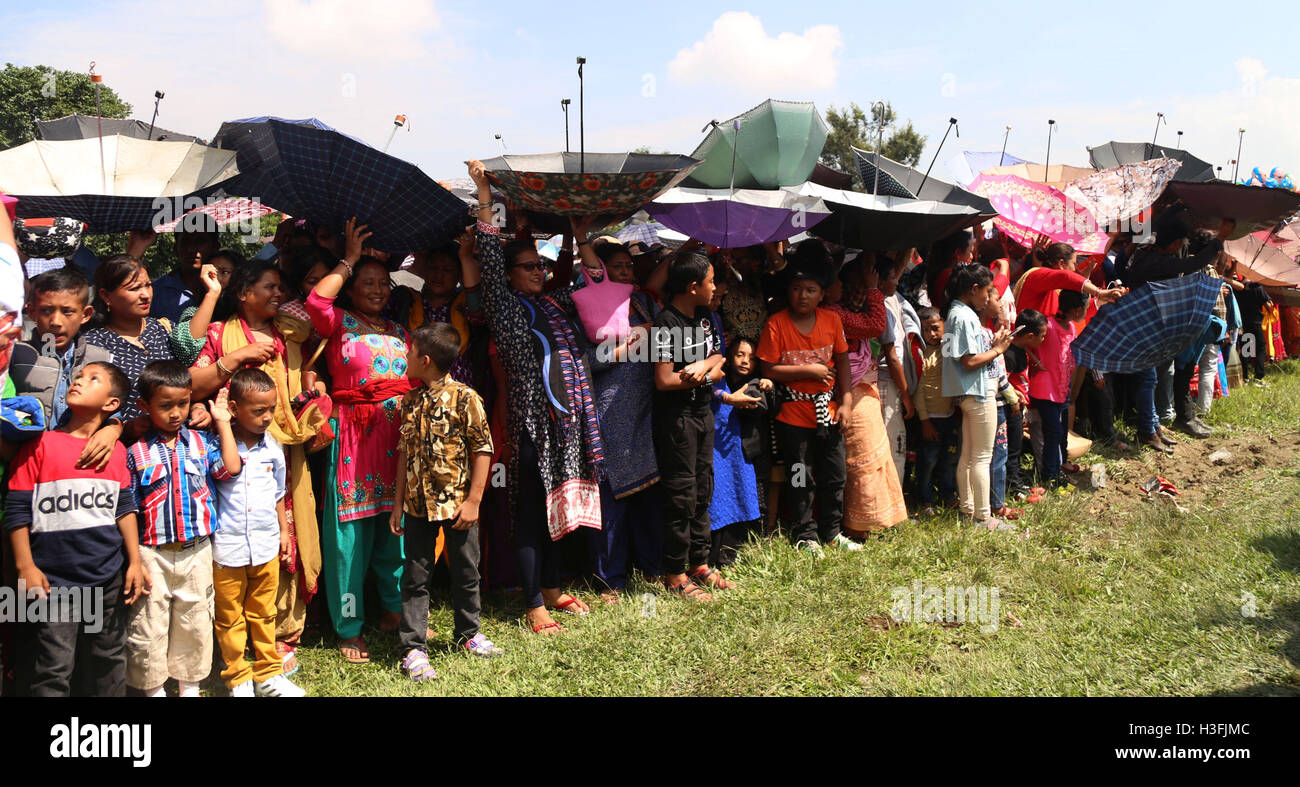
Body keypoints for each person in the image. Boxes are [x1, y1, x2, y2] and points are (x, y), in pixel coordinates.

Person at [467, 161, 601, 633]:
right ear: (508, 275)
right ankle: (533, 605)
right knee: (530, 514)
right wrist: (485, 191)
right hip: (532, 425)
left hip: (567, 424)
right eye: (529, 267)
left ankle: (553, 587)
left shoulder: (556, 303)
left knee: (560, 508)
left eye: (541, 265)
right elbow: (487, 249)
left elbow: (599, 284)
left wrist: (579, 238)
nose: (539, 272)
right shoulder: (504, 309)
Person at [188, 260, 324, 675]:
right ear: (244, 293)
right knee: (238, 539)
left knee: (289, 537)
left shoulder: (290, 330)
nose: (278, 294)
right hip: (233, 453)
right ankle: (234, 640)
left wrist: (314, 390)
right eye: (269, 287)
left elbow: (309, 365)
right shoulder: (218, 333)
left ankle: (282, 634)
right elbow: (194, 383)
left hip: (286, 449)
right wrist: (240, 355)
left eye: (281, 286)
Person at [4, 362, 149, 696]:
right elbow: (17, 510)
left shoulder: (115, 452)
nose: (79, 381)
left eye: (92, 378)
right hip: (55, 582)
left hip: (108, 578)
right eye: (78, 376)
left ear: (112, 404)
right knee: (53, 665)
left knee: (108, 658)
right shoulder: (40, 445)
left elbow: (124, 509)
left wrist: (135, 562)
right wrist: (25, 565)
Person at [308, 219, 413, 663]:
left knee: (397, 533)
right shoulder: (338, 323)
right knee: (348, 539)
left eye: (383, 283)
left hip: (398, 442)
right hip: (353, 439)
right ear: (351, 288)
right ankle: (349, 627)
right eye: (367, 283)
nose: (378, 289)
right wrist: (348, 260)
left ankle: (393, 610)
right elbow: (316, 300)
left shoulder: (399, 331)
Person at [390, 323, 501, 681]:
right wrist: (397, 504)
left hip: (457, 505)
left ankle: (469, 634)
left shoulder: (466, 398)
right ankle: (413, 648)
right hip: (418, 506)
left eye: (409, 353)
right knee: (415, 576)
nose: (404, 358)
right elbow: (404, 453)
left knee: (466, 572)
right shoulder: (410, 401)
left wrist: (474, 501)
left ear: (424, 360)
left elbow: (483, 448)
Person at [124, 360, 240, 697]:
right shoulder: (136, 452)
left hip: (196, 552)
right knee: (148, 625)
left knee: (195, 622)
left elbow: (230, 468)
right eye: (165, 406)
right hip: (151, 555)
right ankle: (153, 689)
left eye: (183, 404)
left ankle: (189, 687)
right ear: (144, 406)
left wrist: (222, 424)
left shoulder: (201, 443)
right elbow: (129, 507)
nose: (176, 413)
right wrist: (133, 558)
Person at [209, 370, 306, 697]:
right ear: (234, 409)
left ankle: (267, 675)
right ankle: (237, 678)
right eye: (258, 411)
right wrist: (221, 424)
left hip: (265, 545)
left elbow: (279, 493)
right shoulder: (218, 446)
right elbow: (225, 471)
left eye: (271, 409)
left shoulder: (273, 448)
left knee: (265, 612)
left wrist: (284, 531)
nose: (267, 418)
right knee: (229, 618)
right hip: (228, 547)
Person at [758, 242, 857, 555]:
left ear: (822, 294)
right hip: (793, 416)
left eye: (811, 289)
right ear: (788, 291)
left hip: (828, 412)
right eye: (797, 288)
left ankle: (831, 532)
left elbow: (842, 360)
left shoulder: (832, 321)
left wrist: (846, 401)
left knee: (834, 475)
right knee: (800, 476)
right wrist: (809, 369)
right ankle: (806, 534)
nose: (803, 295)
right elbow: (767, 368)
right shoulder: (777, 324)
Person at [582, 238, 664, 601]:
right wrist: (630, 342)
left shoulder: (643, 302)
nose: (626, 271)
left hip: (645, 411)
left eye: (629, 266)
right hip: (611, 410)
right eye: (617, 266)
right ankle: (610, 579)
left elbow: (665, 340)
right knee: (612, 497)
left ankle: (651, 567)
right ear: (599, 271)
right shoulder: (586, 306)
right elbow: (588, 361)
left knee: (648, 493)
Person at [651, 250, 731, 598]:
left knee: (702, 489)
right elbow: (664, 381)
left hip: (703, 415)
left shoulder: (704, 316)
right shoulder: (664, 324)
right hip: (677, 421)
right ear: (693, 285)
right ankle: (674, 574)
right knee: (681, 496)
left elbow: (720, 358)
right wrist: (705, 375)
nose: (716, 288)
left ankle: (700, 563)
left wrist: (703, 367)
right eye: (711, 281)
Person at [85, 255, 209, 441]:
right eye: (134, 288)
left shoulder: (164, 329)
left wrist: (198, 407)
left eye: (148, 285)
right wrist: (125, 428)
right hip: (129, 452)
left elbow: (189, 379)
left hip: (178, 448)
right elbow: (91, 408)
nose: (145, 295)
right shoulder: (94, 344)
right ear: (105, 295)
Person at [831, 256, 907, 535]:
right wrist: (874, 288)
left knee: (875, 453)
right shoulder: (835, 313)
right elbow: (875, 325)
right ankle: (857, 523)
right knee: (862, 457)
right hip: (850, 393)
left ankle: (875, 519)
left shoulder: (849, 309)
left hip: (862, 387)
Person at [9, 267, 115, 455]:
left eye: (67, 312)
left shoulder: (100, 359)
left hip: (79, 467)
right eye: (46, 311)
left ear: (86, 314)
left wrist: (113, 428)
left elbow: (112, 409)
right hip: (26, 464)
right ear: (31, 312)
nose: (56, 322)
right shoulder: (16, 356)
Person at [942, 264, 1014, 532]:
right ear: (974, 289)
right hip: (977, 391)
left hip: (962, 393)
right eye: (986, 291)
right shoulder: (965, 316)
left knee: (969, 456)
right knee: (982, 456)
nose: (988, 298)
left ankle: (967, 509)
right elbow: (970, 361)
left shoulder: (953, 313)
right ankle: (983, 517)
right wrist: (998, 349)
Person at [384, 245, 476, 386]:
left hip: (455, 395)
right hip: (412, 392)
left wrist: (466, 258)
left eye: (447, 270)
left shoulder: (465, 305)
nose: (438, 275)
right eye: (433, 268)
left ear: (459, 274)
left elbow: (478, 313)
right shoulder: (405, 301)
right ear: (425, 270)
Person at [1029, 289, 1087, 487]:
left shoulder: (1071, 326)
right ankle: (1049, 475)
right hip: (1045, 389)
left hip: (1062, 388)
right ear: (1078, 310)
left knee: (1061, 432)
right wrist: (1035, 361)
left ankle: (1059, 467)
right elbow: (1025, 341)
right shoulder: (1048, 325)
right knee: (1053, 432)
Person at [912, 306, 957, 516]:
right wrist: (924, 420)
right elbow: (918, 390)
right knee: (928, 461)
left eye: (936, 328)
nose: (932, 334)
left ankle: (948, 494)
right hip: (930, 417)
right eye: (926, 330)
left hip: (949, 415)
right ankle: (925, 500)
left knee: (948, 459)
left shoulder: (946, 348)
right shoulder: (921, 353)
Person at [981, 302, 1023, 520]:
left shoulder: (988, 336)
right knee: (998, 456)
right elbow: (1000, 375)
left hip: (988, 403)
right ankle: (996, 504)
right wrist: (1013, 399)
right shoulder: (992, 341)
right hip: (996, 405)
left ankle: (988, 503)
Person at [168, 250, 239, 366]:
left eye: (225, 272)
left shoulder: (251, 314)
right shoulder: (193, 314)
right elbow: (185, 348)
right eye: (211, 275)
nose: (216, 279)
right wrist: (213, 293)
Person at [1006, 310, 1047, 502]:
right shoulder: (1009, 354)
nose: (1044, 339)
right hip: (1009, 408)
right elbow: (1002, 381)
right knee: (1012, 449)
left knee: (1017, 447)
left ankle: (1018, 481)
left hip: (1019, 408)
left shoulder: (1021, 349)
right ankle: (1013, 488)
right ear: (1030, 336)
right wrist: (1015, 395)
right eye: (1042, 335)